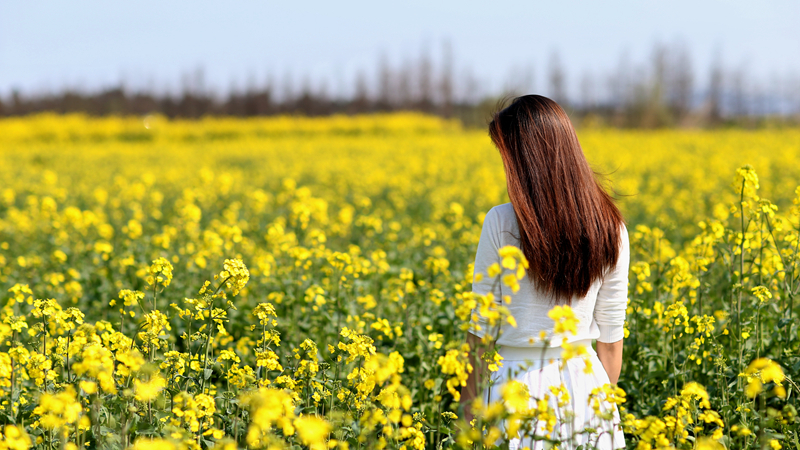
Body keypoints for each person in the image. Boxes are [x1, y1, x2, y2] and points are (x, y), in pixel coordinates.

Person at [459, 95, 629, 450]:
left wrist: (466, 420)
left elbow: (479, 333)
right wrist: (599, 411)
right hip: (587, 390)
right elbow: (611, 343)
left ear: (527, 162)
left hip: (513, 388)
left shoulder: (502, 223)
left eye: (507, 158)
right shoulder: (611, 227)